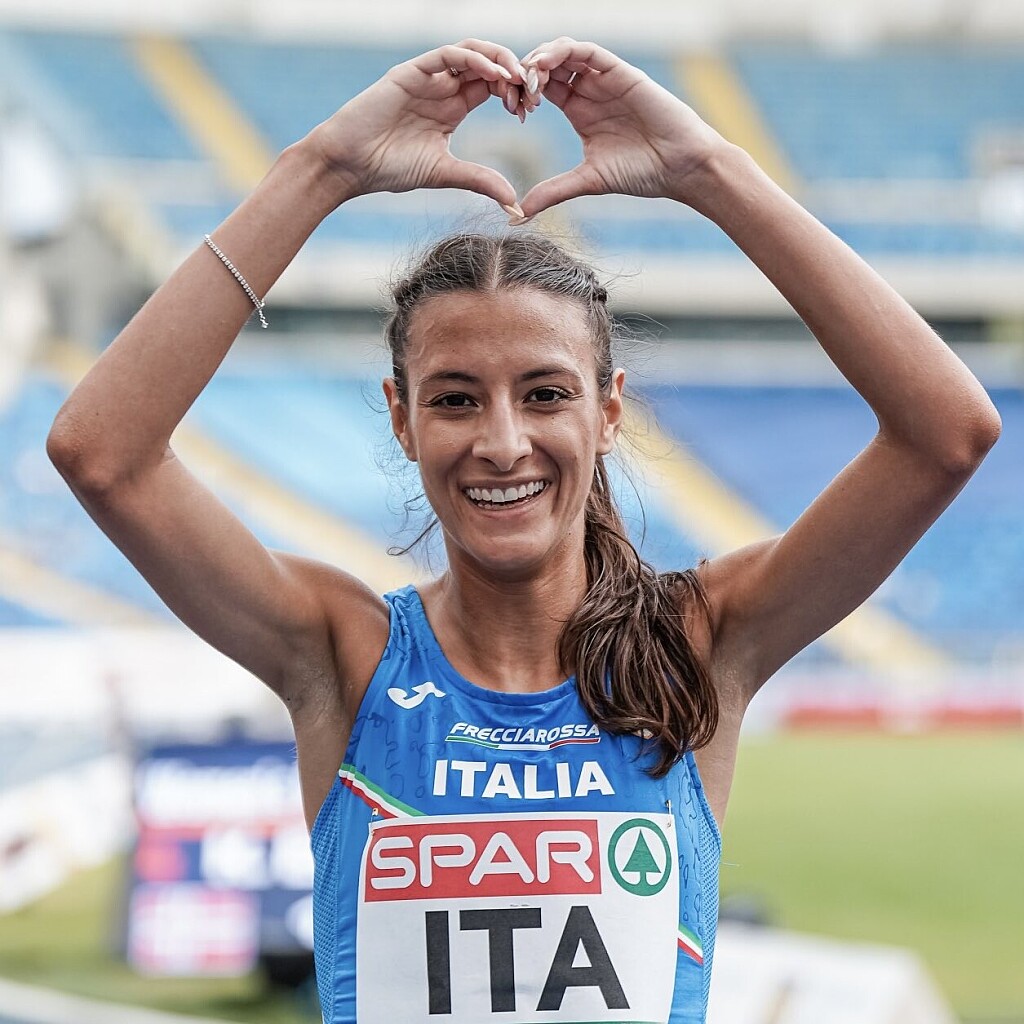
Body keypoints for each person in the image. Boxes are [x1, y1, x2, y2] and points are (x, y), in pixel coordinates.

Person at [47, 37, 1000, 1024]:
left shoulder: (696, 643)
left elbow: (946, 434)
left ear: (608, 410)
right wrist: (320, 169)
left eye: (545, 393)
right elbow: (102, 453)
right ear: (401, 417)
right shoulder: (345, 654)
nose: (502, 444)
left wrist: (711, 173)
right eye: (455, 399)